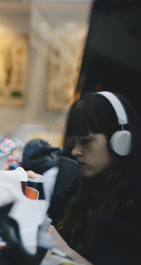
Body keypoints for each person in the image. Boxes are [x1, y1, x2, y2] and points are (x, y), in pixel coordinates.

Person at [48, 91, 141, 264]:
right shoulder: (91, 182)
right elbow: (50, 207)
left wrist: (67, 253)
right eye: (75, 141)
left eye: (86, 141)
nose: (75, 151)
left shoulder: (136, 198)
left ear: (120, 141)